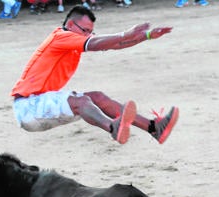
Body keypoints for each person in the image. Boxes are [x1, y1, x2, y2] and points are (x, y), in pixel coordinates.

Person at [11, 5, 179, 144]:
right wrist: (126, 33)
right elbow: (97, 43)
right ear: (70, 25)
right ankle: (113, 127)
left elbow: (114, 44)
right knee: (81, 101)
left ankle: (154, 128)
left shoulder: (72, 41)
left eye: (89, 32)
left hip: (40, 106)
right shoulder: (60, 37)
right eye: (85, 30)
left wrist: (147, 36)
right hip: (27, 107)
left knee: (98, 98)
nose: (87, 35)